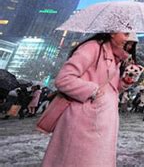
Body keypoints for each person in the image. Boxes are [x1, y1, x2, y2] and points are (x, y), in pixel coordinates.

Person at [42, 32, 138, 167]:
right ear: (112, 32)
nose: (128, 40)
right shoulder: (92, 48)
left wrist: (124, 83)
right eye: (126, 34)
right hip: (83, 122)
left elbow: (110, 89)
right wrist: (92, 90)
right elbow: (64, 79)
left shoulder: (115, 58)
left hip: (102, 124)